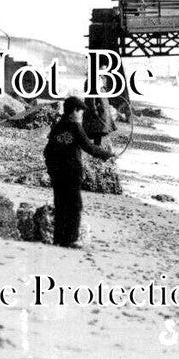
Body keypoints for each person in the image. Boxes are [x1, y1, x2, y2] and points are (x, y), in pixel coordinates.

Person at [44, 96, 114, 248]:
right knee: (75, 205)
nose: (81, 116)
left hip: (57, 173)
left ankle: (59, 238)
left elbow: (48, 151)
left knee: (61, 204)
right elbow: (88, 147)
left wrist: (51, 169)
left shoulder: (57, 126)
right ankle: (70, 240)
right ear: (74, 111)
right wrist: (105, 154)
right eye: (80, 112)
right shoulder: (75, 126)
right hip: (71, 172)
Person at [82, 77, 118, 147]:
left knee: (100, 133)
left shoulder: (100, 79)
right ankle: (97, 149)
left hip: (102, 110)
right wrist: (94, 110)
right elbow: (91, 98)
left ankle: (100, 148)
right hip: (97, 112)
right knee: (97, 132)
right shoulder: (92, 80)